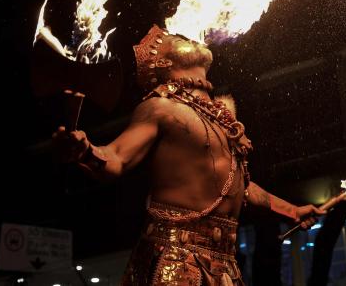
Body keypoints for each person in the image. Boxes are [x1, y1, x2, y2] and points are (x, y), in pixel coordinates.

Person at [52, 24, 325, 285]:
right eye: (176, 39)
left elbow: (237, 185)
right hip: (176, 260)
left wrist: (292, 210)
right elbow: (118, 158)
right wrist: (86, 151)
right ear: (162, 64)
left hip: (225, 264)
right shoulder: (160, 108)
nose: (188, 36)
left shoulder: (224, 123)